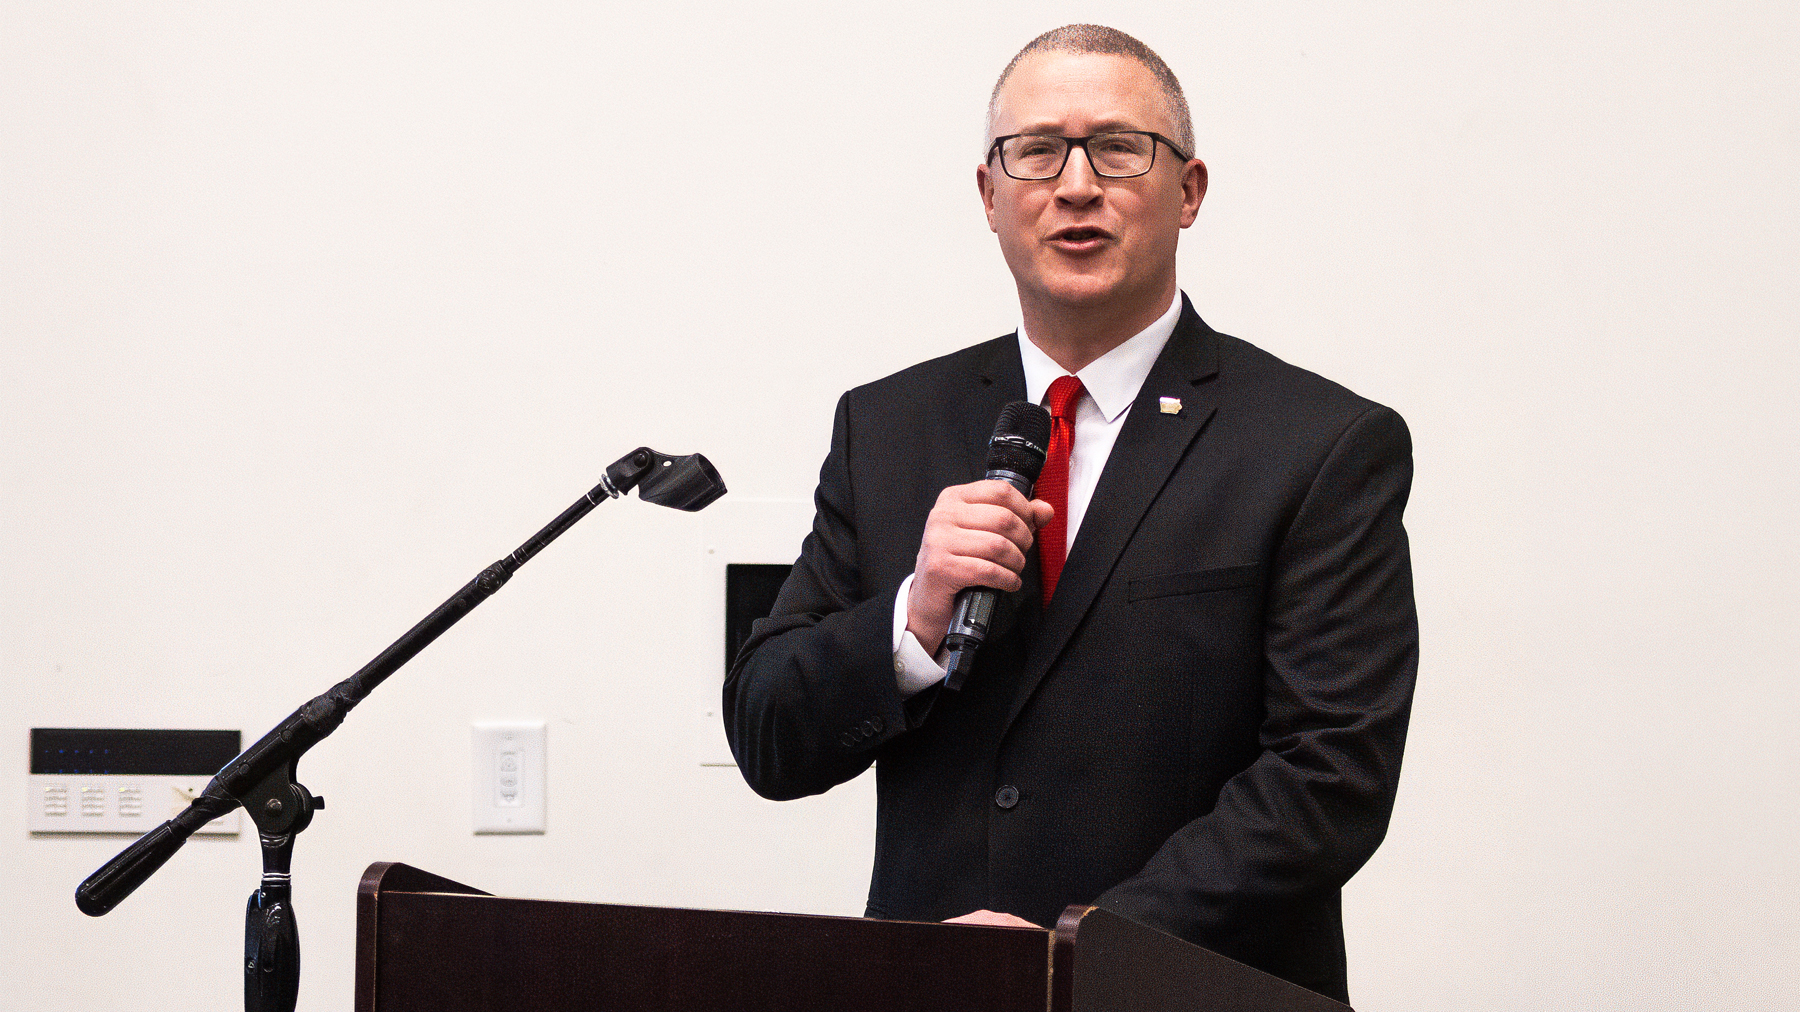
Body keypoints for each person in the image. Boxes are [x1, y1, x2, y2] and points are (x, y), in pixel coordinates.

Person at [723, 24, 1416, 1004]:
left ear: (1188, 191)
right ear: (990, 196)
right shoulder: (887, 425)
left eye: (1119, 148)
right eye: (1037, 150)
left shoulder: (1319, 444)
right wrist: (911, 619)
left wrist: (1080, 948)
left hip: (1192, 990)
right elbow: (767, 729)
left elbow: (1329, 777)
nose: (1076, 184)